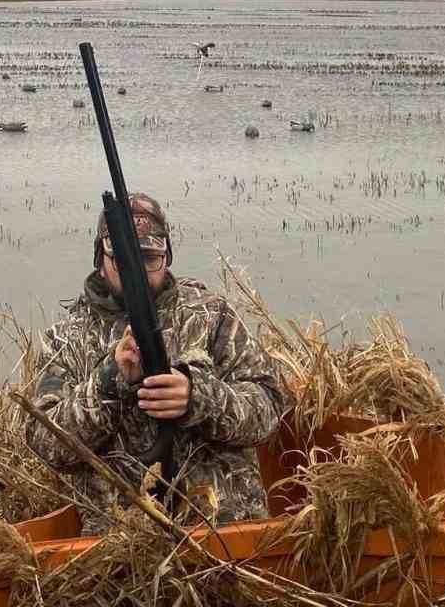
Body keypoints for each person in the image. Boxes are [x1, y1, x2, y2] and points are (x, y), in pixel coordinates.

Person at [24, 193, 284, 532]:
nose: (138, 271)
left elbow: (270, 410)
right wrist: (108, 383)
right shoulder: (66, 339)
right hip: (122, 546)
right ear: (99, 259)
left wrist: (198, 398)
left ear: (168, 256)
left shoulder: (210, 315)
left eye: (149, 258)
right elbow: (48, 446)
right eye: (123, 260)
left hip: (228, 533)